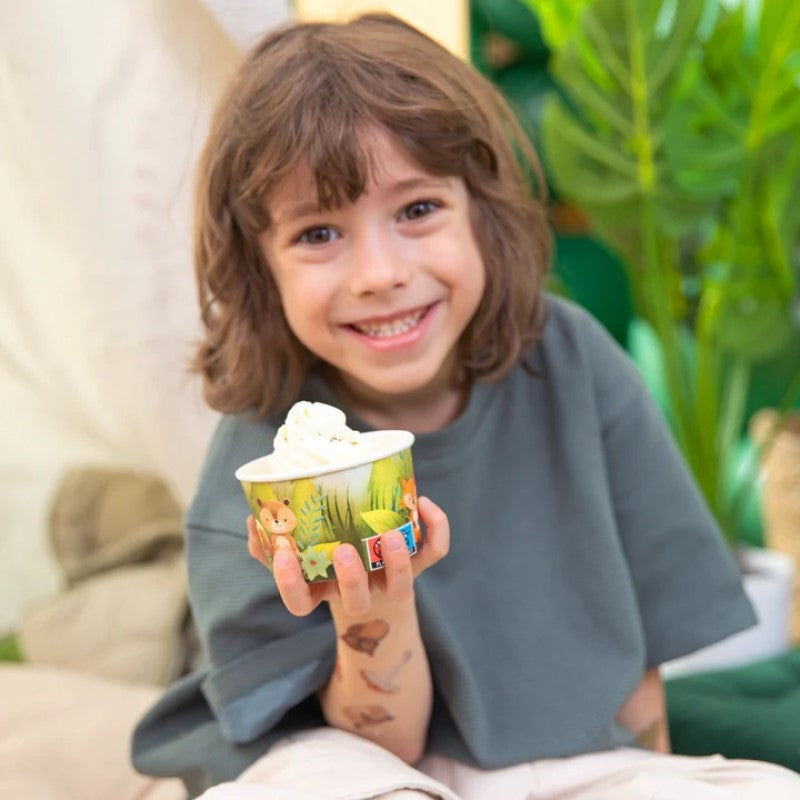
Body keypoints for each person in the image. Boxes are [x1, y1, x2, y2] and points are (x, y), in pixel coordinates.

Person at [131, 13, 800, 800]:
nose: (380, 274)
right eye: (318, 233)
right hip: (360, 760)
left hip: (565, 757)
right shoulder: (268, 457)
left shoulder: (570, 362)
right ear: (259, 269)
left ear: (482, 209)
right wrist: (375, 611)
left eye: (417, 210)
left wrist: (657, 775)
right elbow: (384, 749)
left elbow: (637, 672)